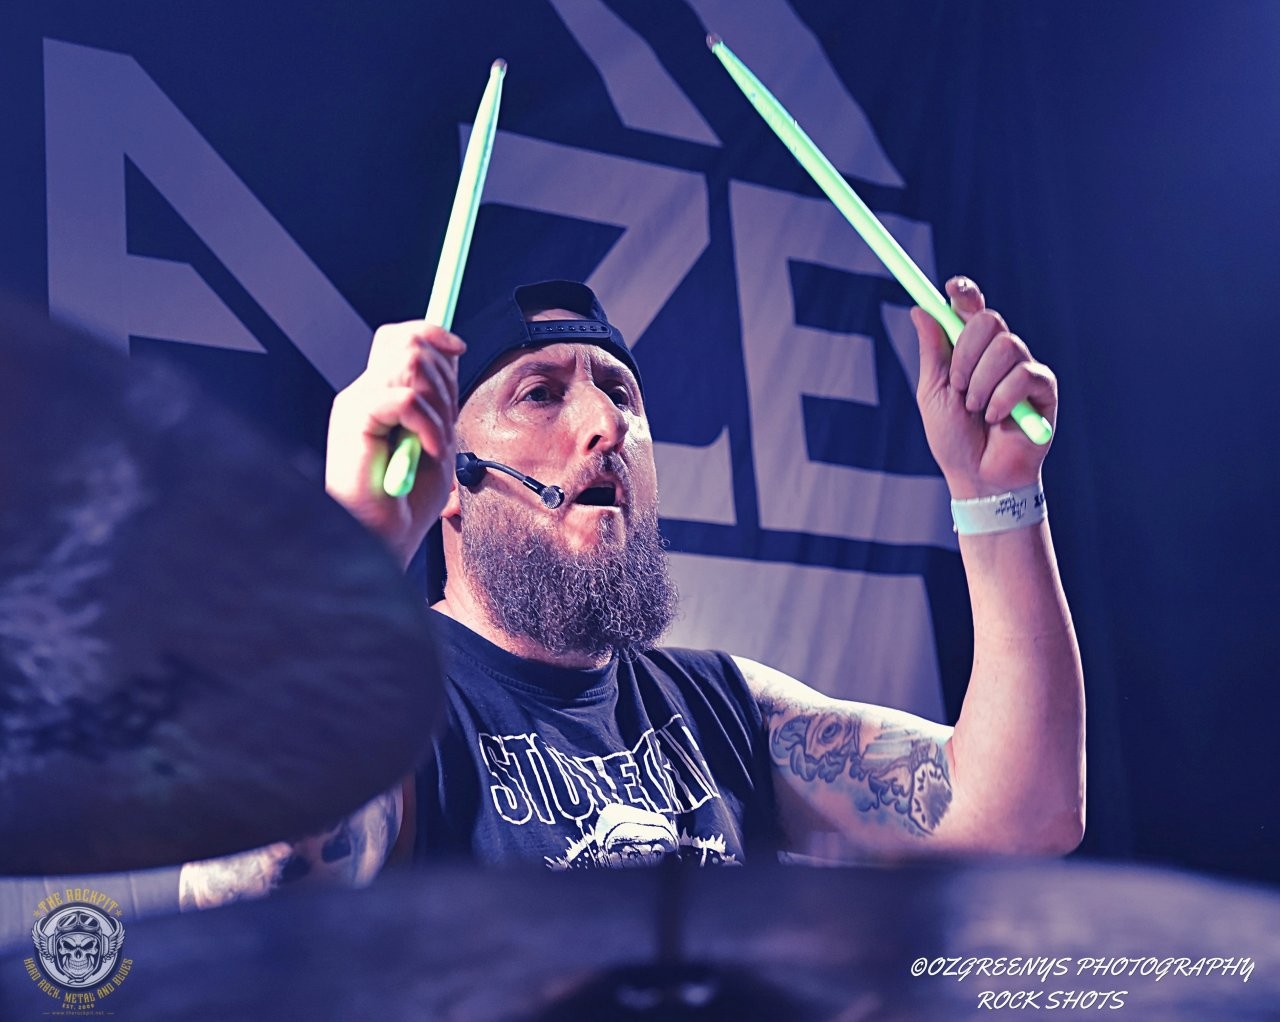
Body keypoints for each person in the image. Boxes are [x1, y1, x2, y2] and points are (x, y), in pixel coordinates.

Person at [180, 277, 1083, 906]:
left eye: (619, 390)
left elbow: (1020, 811)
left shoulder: (723, 706)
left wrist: (995, 493)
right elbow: (244, 910)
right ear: (449, 474)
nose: (606, 423)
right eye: (540, 394)